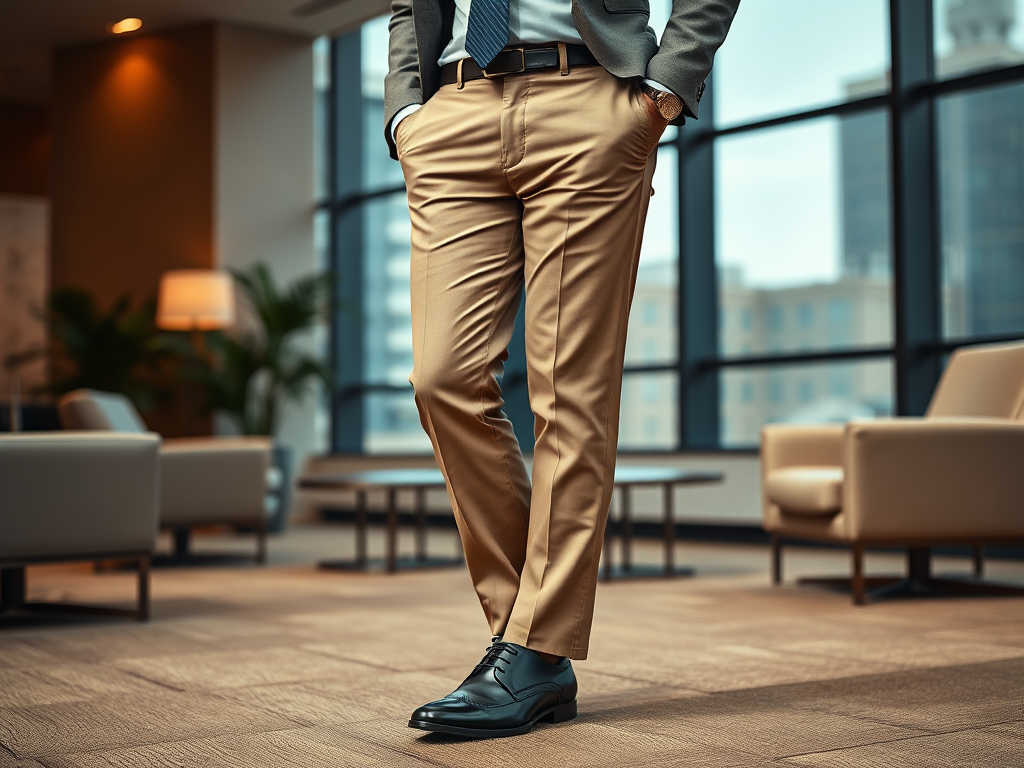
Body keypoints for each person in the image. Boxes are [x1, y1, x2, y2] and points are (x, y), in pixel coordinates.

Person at [385, 0, 739, 739]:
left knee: (568, 392)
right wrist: (405, 113)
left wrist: (668, 85)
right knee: (441, 380)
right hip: (453, 109)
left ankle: (532, 648)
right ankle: (534, 641)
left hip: (590, 97)